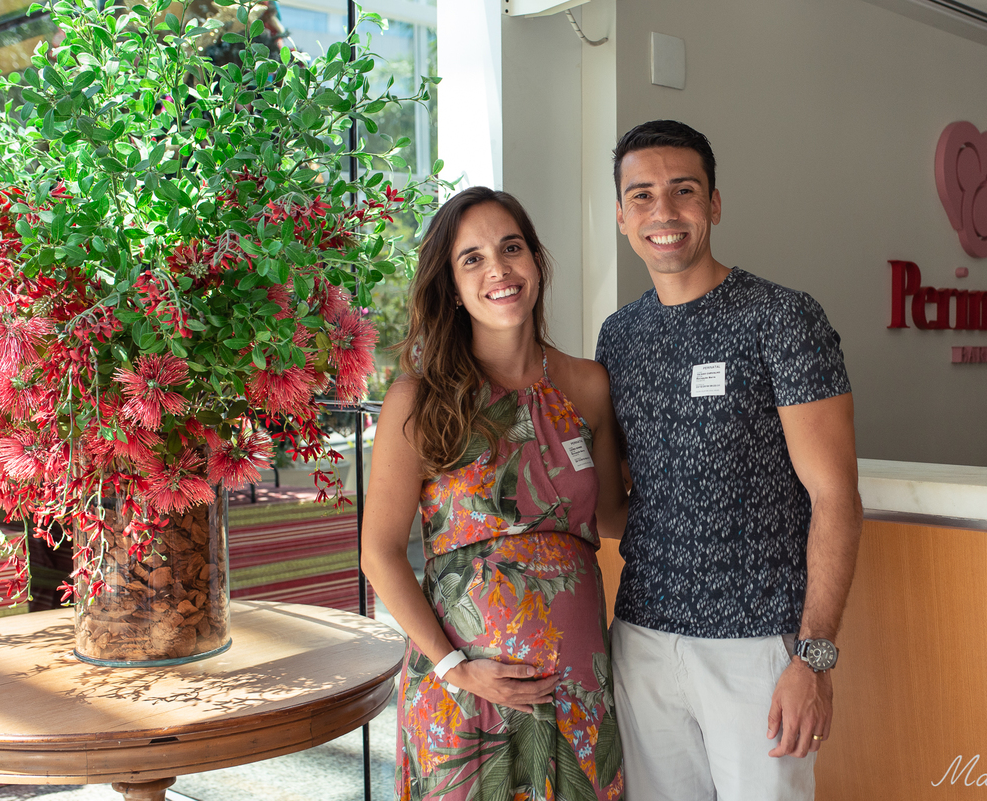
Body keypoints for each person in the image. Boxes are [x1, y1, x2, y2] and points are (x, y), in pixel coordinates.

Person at [594, 120, 863, 801]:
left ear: (714, 203)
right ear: (622, 215)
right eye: (644, 195)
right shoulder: (618, 337)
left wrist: (814, 656)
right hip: (643, 637)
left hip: (757, 649)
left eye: (684, 191)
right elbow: (623, 499)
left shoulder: (782, 318)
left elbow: (836, 496)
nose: (664, 212)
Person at [362, 187, 628, 801]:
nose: (499, 270)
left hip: (576, 685)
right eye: (473, 258)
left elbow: (614, 514)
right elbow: (378, 552)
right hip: (464, 690)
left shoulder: (587, 385)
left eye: (511, 249)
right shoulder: (420, 397)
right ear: (452, 288)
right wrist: (458, 669)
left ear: (536, 262)